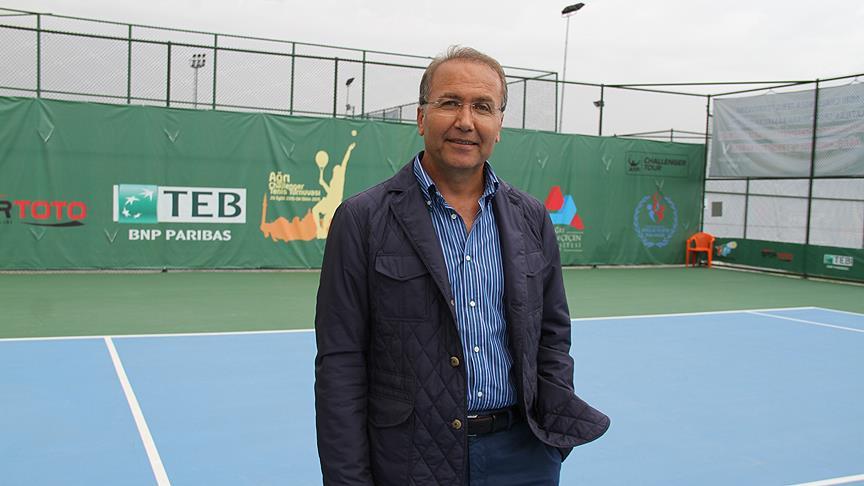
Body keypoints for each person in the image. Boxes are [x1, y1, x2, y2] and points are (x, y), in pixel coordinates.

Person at [314, 46, 609, 486]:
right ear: (421, 117)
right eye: (450, 102)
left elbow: (552, 336)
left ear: (499, 125)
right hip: (410, 460)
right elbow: (340, 365)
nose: (466, 121)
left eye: (483, 107)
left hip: (523, 456)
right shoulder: (362, 219)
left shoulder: (531, 217)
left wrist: (549, 445)